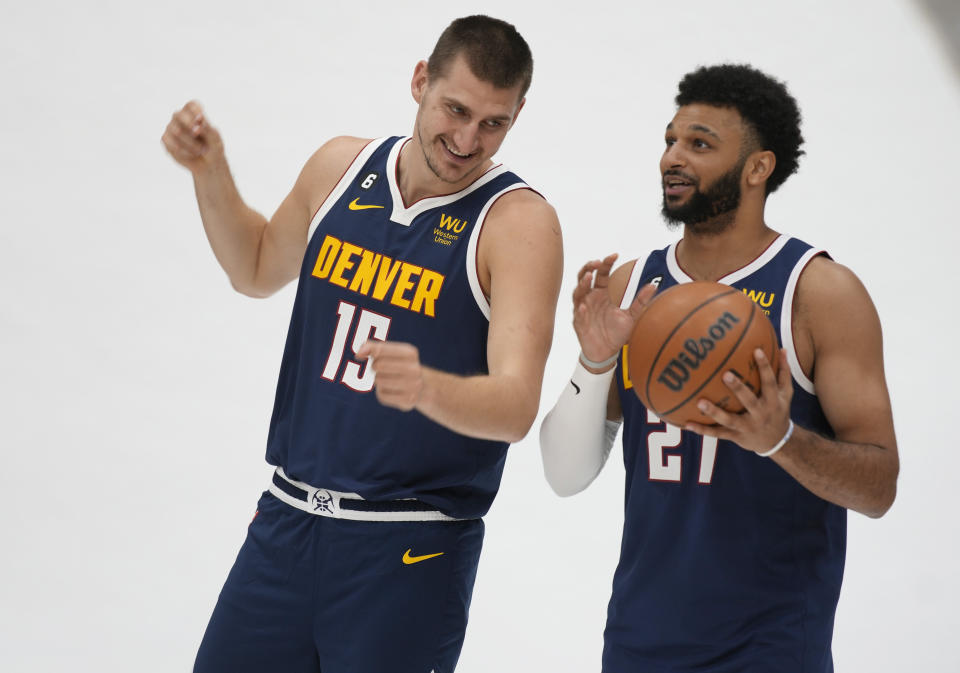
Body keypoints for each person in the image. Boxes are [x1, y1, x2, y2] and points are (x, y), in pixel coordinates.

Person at [162, 15, 562, 673]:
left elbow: (516, 404)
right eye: (455, 109)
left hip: (408, 547)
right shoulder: (340, 167)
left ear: (517, 117)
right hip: (287, 520)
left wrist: (428, 386)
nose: (467, 139)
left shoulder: (519, 224)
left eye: (493, 123)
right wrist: (211, 171)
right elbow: (256, 268)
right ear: (419, 81)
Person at [539, 63, 898, 672]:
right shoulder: (634, 288)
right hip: (636, 643)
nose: (672, 158)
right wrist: (595, 358)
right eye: (670, 141)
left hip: (770, 649)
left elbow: (879, 487)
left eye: (700, 144)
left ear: (758, 167)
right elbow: (563, 475)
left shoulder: (818, 293)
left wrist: (779, 440)